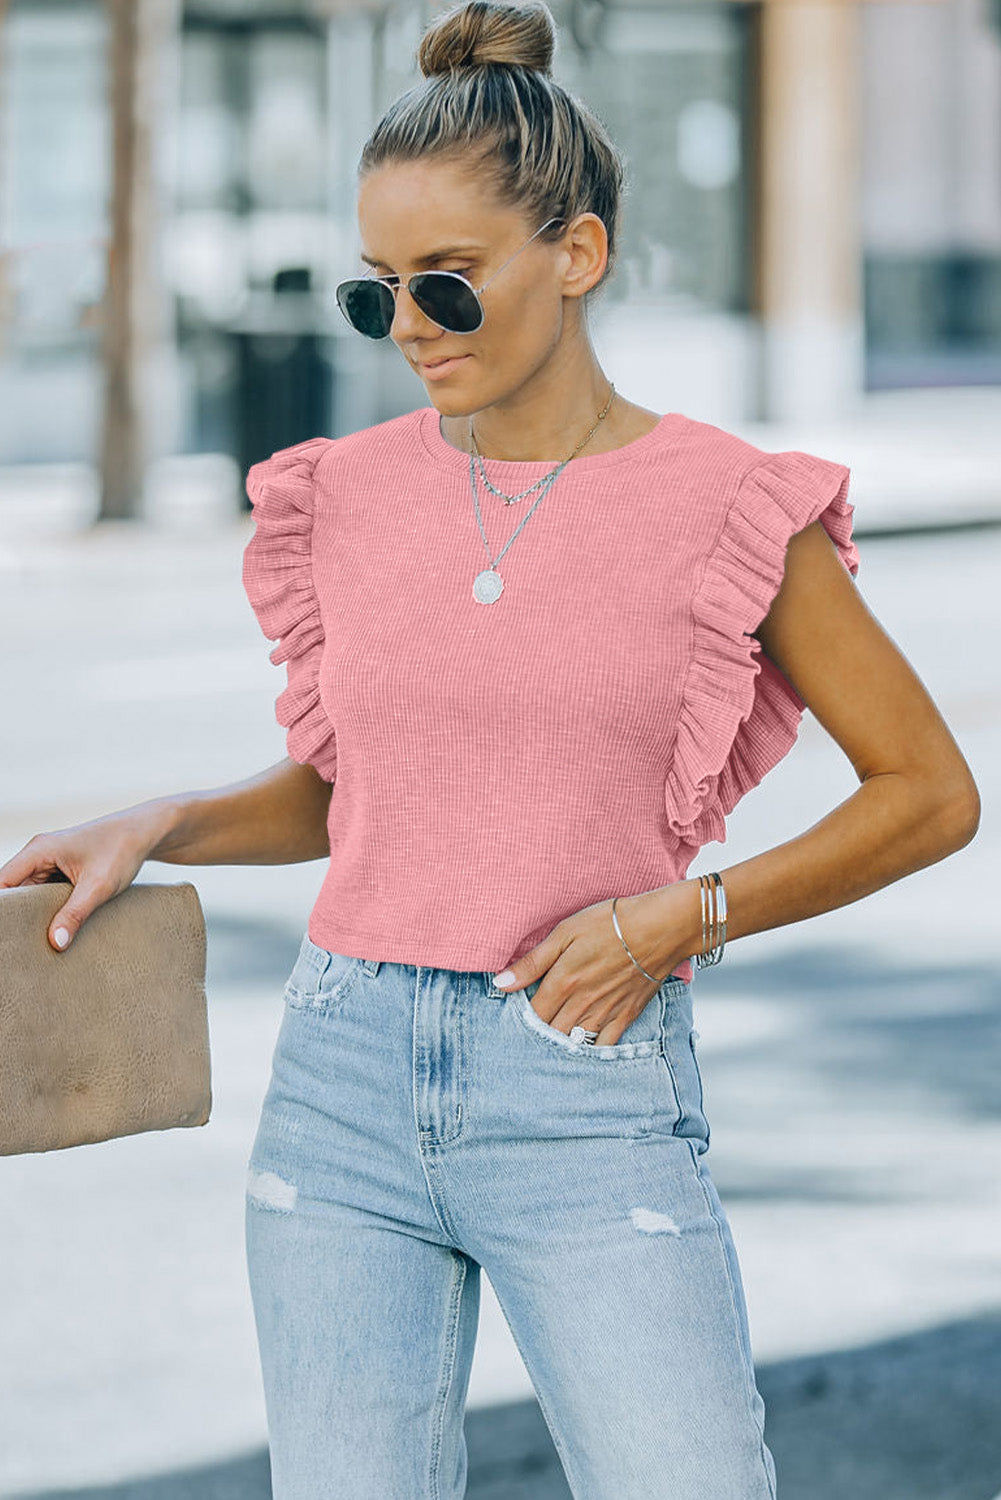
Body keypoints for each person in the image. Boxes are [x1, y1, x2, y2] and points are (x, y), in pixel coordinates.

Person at [1, 1, 980, 1495]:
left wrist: (680, 917)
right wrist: (160, 819)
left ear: (574, 257)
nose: (407, 330)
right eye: (375, 292)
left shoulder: (729, 506)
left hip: (584, 1084)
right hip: (338, 1089)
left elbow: (928, 795)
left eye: (444, 290)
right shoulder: (340, 494)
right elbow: (359, 794)